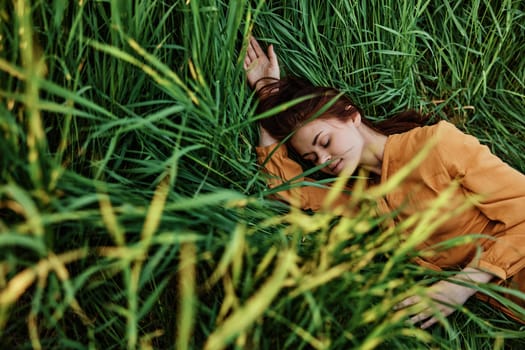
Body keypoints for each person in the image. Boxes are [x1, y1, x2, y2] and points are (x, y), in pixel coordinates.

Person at [244, 36, 525, 328]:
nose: (324, 160)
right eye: (312, 158)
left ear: (350, 114)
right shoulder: (364, 196)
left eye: (325, 141)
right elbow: (286, 191)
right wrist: (266, 99)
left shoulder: (437, 145)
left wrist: (462, 285)